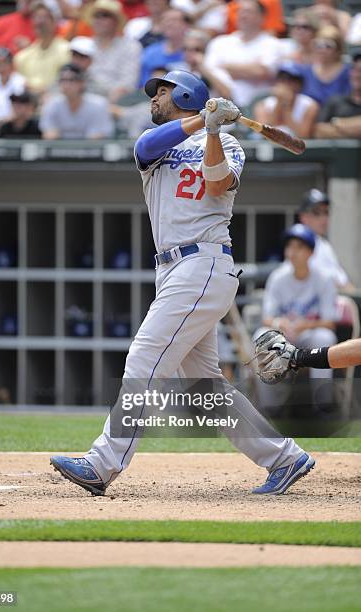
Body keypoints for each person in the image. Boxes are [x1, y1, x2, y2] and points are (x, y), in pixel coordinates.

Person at [50, 70, 316, 497]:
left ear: (186, 93)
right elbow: (144, 146)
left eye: (162, 91)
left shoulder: (228, 143)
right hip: (174, 270)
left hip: (203, 262)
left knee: (144, 358)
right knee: (203, 385)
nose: (154, 98)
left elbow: (215, 183)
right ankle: (284, 458)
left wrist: (212, 131)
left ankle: (102, 464)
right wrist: (201, 121)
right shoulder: (158, 143)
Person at [261, 223, 337, 381]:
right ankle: (271, 405)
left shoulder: (324, 278)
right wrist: (278, 322)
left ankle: (321, 403)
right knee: (262, 335)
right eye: (289, 246)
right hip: (284, 335)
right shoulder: (277, 277)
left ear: (310, 252)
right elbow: (266, 318)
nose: (292, 251)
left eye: (299, 247)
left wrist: (307, 325)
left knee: (324, 337)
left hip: (309, 335)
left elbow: (330, 323)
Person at [204, 0, 283, 109]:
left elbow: (261, 71)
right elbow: (209, 72)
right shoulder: (220, 42)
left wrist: (226, 66)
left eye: (248, 11)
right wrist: (249, 70)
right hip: (221, 110)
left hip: (257, 111)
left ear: (261, 17)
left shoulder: (272, 44)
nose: (242, 15)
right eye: (239, 11)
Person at [87, 0, 142, 102]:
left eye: (105, 15)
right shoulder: (85, 44)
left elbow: (128, 83)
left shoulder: (130, 46)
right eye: (96, 16)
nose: (99, 19)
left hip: (115, 99)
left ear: (116, 21)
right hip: (85, 95)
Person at [40, 63, 114, 138]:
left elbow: (97, 137)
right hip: (59, 149)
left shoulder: (99, 105)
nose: (66, 85)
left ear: (82, 82)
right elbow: (49, 134)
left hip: (90, 149)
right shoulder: (51, 104)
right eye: (63, 80)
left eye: (71, 80)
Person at [298, 189, 352, 290]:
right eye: (317, 213)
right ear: (303, 217)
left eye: (326, 212)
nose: (324, 218)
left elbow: (343, 281)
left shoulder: (324, 245)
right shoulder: (299, 245)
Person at [14, 1, 70, 94]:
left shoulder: (67, 50)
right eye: (36, 17)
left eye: (45, 17)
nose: (39, 22)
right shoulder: (22, 56)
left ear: (55, 21)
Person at [253, 63, 319, 138]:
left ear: (300, 84)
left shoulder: (310, 105)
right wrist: (279, 102)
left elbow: (303, 136)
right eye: (282, 79)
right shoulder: (263, 105)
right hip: (271, 148)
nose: (286, 83)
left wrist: (286, 107)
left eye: (291, 79)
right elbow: (265, 134)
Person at [296, 26, 351, 107]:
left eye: (328, 46)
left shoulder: (348, 72)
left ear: (338, 49)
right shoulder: (306, 71)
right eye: (318, 45)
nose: (322, 50)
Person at [314, 53, 361, 139]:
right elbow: (319, 131)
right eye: (355, 70)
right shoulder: (335, 101)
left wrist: (337, 123)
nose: (357, 75)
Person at [139, 8, 189, 86]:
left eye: (174, 20)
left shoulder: (194, 49)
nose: (168, 23)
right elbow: (143, 85)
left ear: (186, 25)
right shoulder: (150, 53)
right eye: (165, 20)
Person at [183, 29, 233, 99]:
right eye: (185, 49)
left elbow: (228, 95)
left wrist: (203, 68)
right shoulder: (179, 69)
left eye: (197, 49)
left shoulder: (215, 69)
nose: (189, 53)